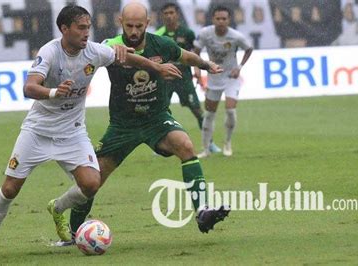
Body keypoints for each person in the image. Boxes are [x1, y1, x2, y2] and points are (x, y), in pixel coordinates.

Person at [0, 4, 182, 257]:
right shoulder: (49, 52)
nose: (86, 33)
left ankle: (57, 208)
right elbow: (29, 87)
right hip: (37, 132)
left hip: (72, 132)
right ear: (64, 29)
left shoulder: (93, 51)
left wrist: (156, 67)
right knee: (10, 190)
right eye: (81, 28)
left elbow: (125, 56)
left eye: (88, 28)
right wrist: (53, 92)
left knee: (92, 183)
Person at [58, 2, 229, 245]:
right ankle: (75, 234)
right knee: (93, 181)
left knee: (186, 146)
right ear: (120, 22)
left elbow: (185, 55)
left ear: (148, 24)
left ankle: (202, 211)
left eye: (139, 26)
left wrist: (207, 65)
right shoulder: (111, 47)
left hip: (156, 119)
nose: (134, 31)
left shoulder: (161, 44)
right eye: (130, 26)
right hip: (122, 126)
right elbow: (89, 58)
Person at [155, 2, 222, 153]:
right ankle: (158, 144)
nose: (169, 16)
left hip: (184, 79)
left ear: (177, 14)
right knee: (159, 112)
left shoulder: (187, 33)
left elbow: (194, 54)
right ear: (162, 16)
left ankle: (209, 143)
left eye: (172, 13)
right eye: (166, 13)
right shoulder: (158, 35)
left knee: (198, 111)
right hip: (165, 80)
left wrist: (198, 70)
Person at [194, 6, 253, 158]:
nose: (221, 21)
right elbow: (196, 53)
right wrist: (198, 72)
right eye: (218, 18)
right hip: (214, 77)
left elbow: (249, 49)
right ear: (213, 19)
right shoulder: (205, 33)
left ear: (229, 20)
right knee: (209, 115)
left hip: (230, 78)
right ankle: (206, 149)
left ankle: (227, 143)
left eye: (224, 19)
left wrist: (239, 67)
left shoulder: (236, 36)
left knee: (231, 111)